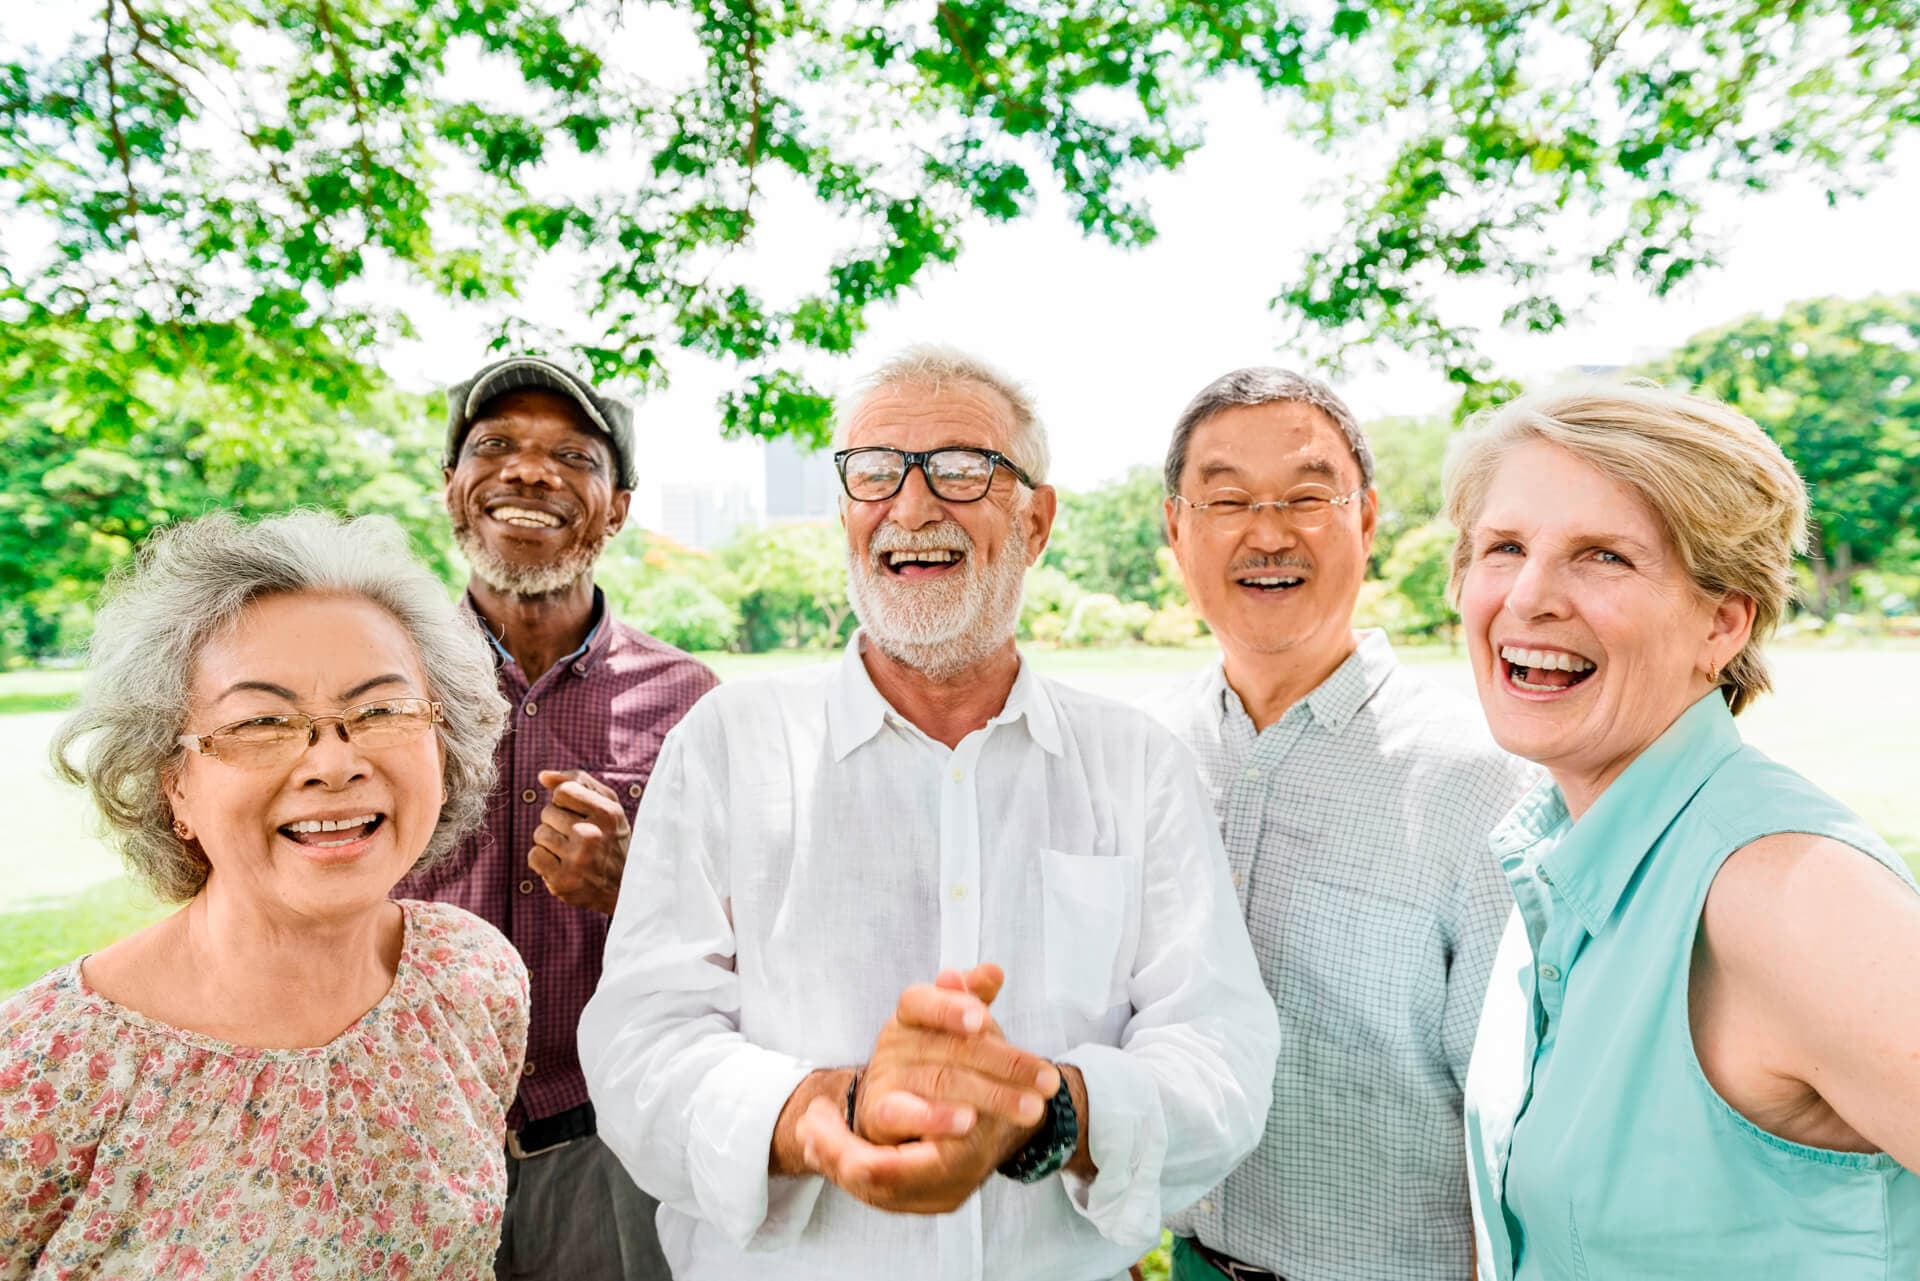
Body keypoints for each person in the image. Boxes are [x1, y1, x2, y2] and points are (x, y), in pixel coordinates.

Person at [579, 345, 1278, 1281]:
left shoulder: (1135, 763)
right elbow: (640, 1044)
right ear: (843, 513)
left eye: (962, 468)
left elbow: (1220, 1049)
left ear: (1035, 521)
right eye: (875, 472)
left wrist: (1049, 1111)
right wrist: (827, 1114)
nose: (912, 507)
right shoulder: (729, 743)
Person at [1449, 384, 1920, 1279]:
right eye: (1504, 547)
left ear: (1723, 620)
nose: (1532, 596)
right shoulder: (1559, 859)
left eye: (1605, 557)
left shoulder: (1784, 890)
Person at [0, 511, 524, 1278]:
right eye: (262, 722)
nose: (333, 762)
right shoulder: (46, 1065)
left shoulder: (471, 976)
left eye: (380, 710)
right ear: (172, 781)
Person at [1148, 368, 1538, 1281]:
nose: (1268, 530)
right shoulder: (1144, 755)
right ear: (1176, 528)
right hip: (1193, 1260)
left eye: (1307, 495)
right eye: (1228, 499)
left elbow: (1515, 1119)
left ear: (1366, 519)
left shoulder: (1479, 775)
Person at [397, 355, 718, 1281]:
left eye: (572, 456)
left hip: (609, 1146)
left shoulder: (692, 698)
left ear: (617, 505)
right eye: (494, 446)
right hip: (410, 1135)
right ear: (451, 488)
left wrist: (634, 883)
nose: (529, 472)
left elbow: (753, 941)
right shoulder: (380, 681)